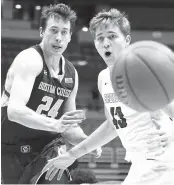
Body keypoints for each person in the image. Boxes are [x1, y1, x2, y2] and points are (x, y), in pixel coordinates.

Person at [42, 8, 174, 185]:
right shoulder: (103, 78)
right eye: (100, 38)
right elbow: (113, 126)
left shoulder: (142, 69)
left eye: (112, 36)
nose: (105, 43)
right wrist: (72, 155)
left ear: (126, 40)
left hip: (162, 161)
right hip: (140, 162)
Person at [1, 3, 101, 184]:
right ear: (42, 32)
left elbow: (68, 126)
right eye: (53, 30)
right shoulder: (29, 60)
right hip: (11, 147)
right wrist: (55, 124)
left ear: (70, 36)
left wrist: (86, 141)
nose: (58, 37)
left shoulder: (71, 73)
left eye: (64, 32)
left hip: (48, 148)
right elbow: (14, 111)